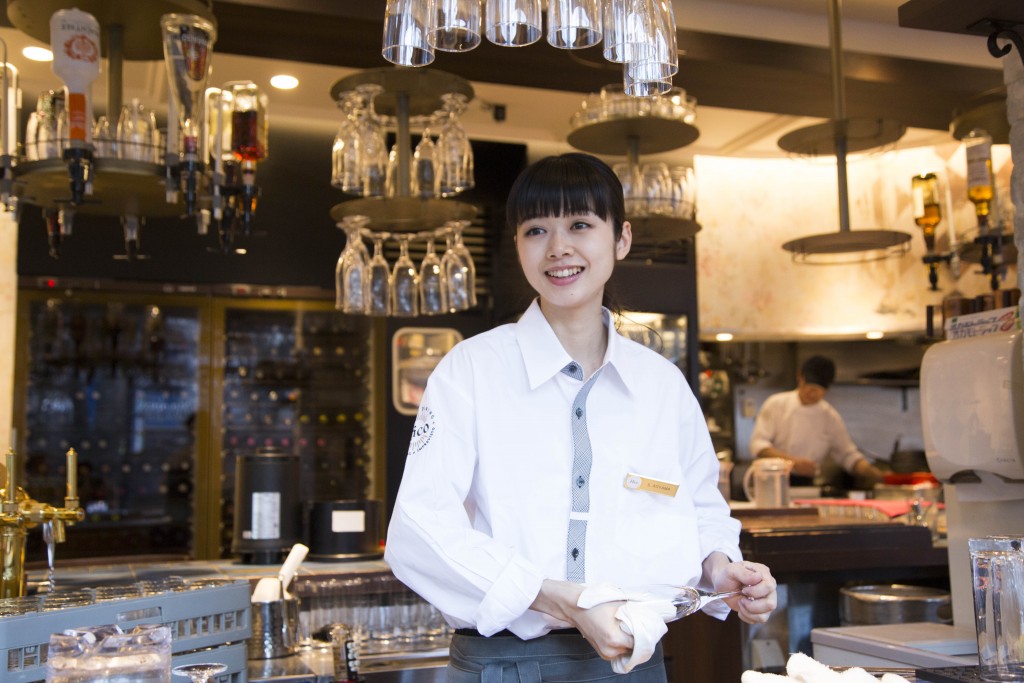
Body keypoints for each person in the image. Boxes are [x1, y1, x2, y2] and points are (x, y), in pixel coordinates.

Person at [385, 153, 777, 681]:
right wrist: (560, 599)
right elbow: (418, 530)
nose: (558, 247)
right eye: (536, 230)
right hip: (505, 665)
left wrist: (722, 568)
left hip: (635, 664)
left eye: (580, 225)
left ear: (622, 239)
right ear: (518, 246)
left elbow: (701, 507)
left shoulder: (662, 385)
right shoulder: (471, 370)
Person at [749, 355, 884, 489]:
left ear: (827, 389)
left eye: (819, 389)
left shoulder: (829, 417)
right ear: (800, 377)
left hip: (806, 485)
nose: (812, 393)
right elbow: (759, 445)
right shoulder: (776, 404)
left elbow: (847, 455)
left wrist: (874, 473)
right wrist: (793, 463)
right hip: (769, 481)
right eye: (810, 387)